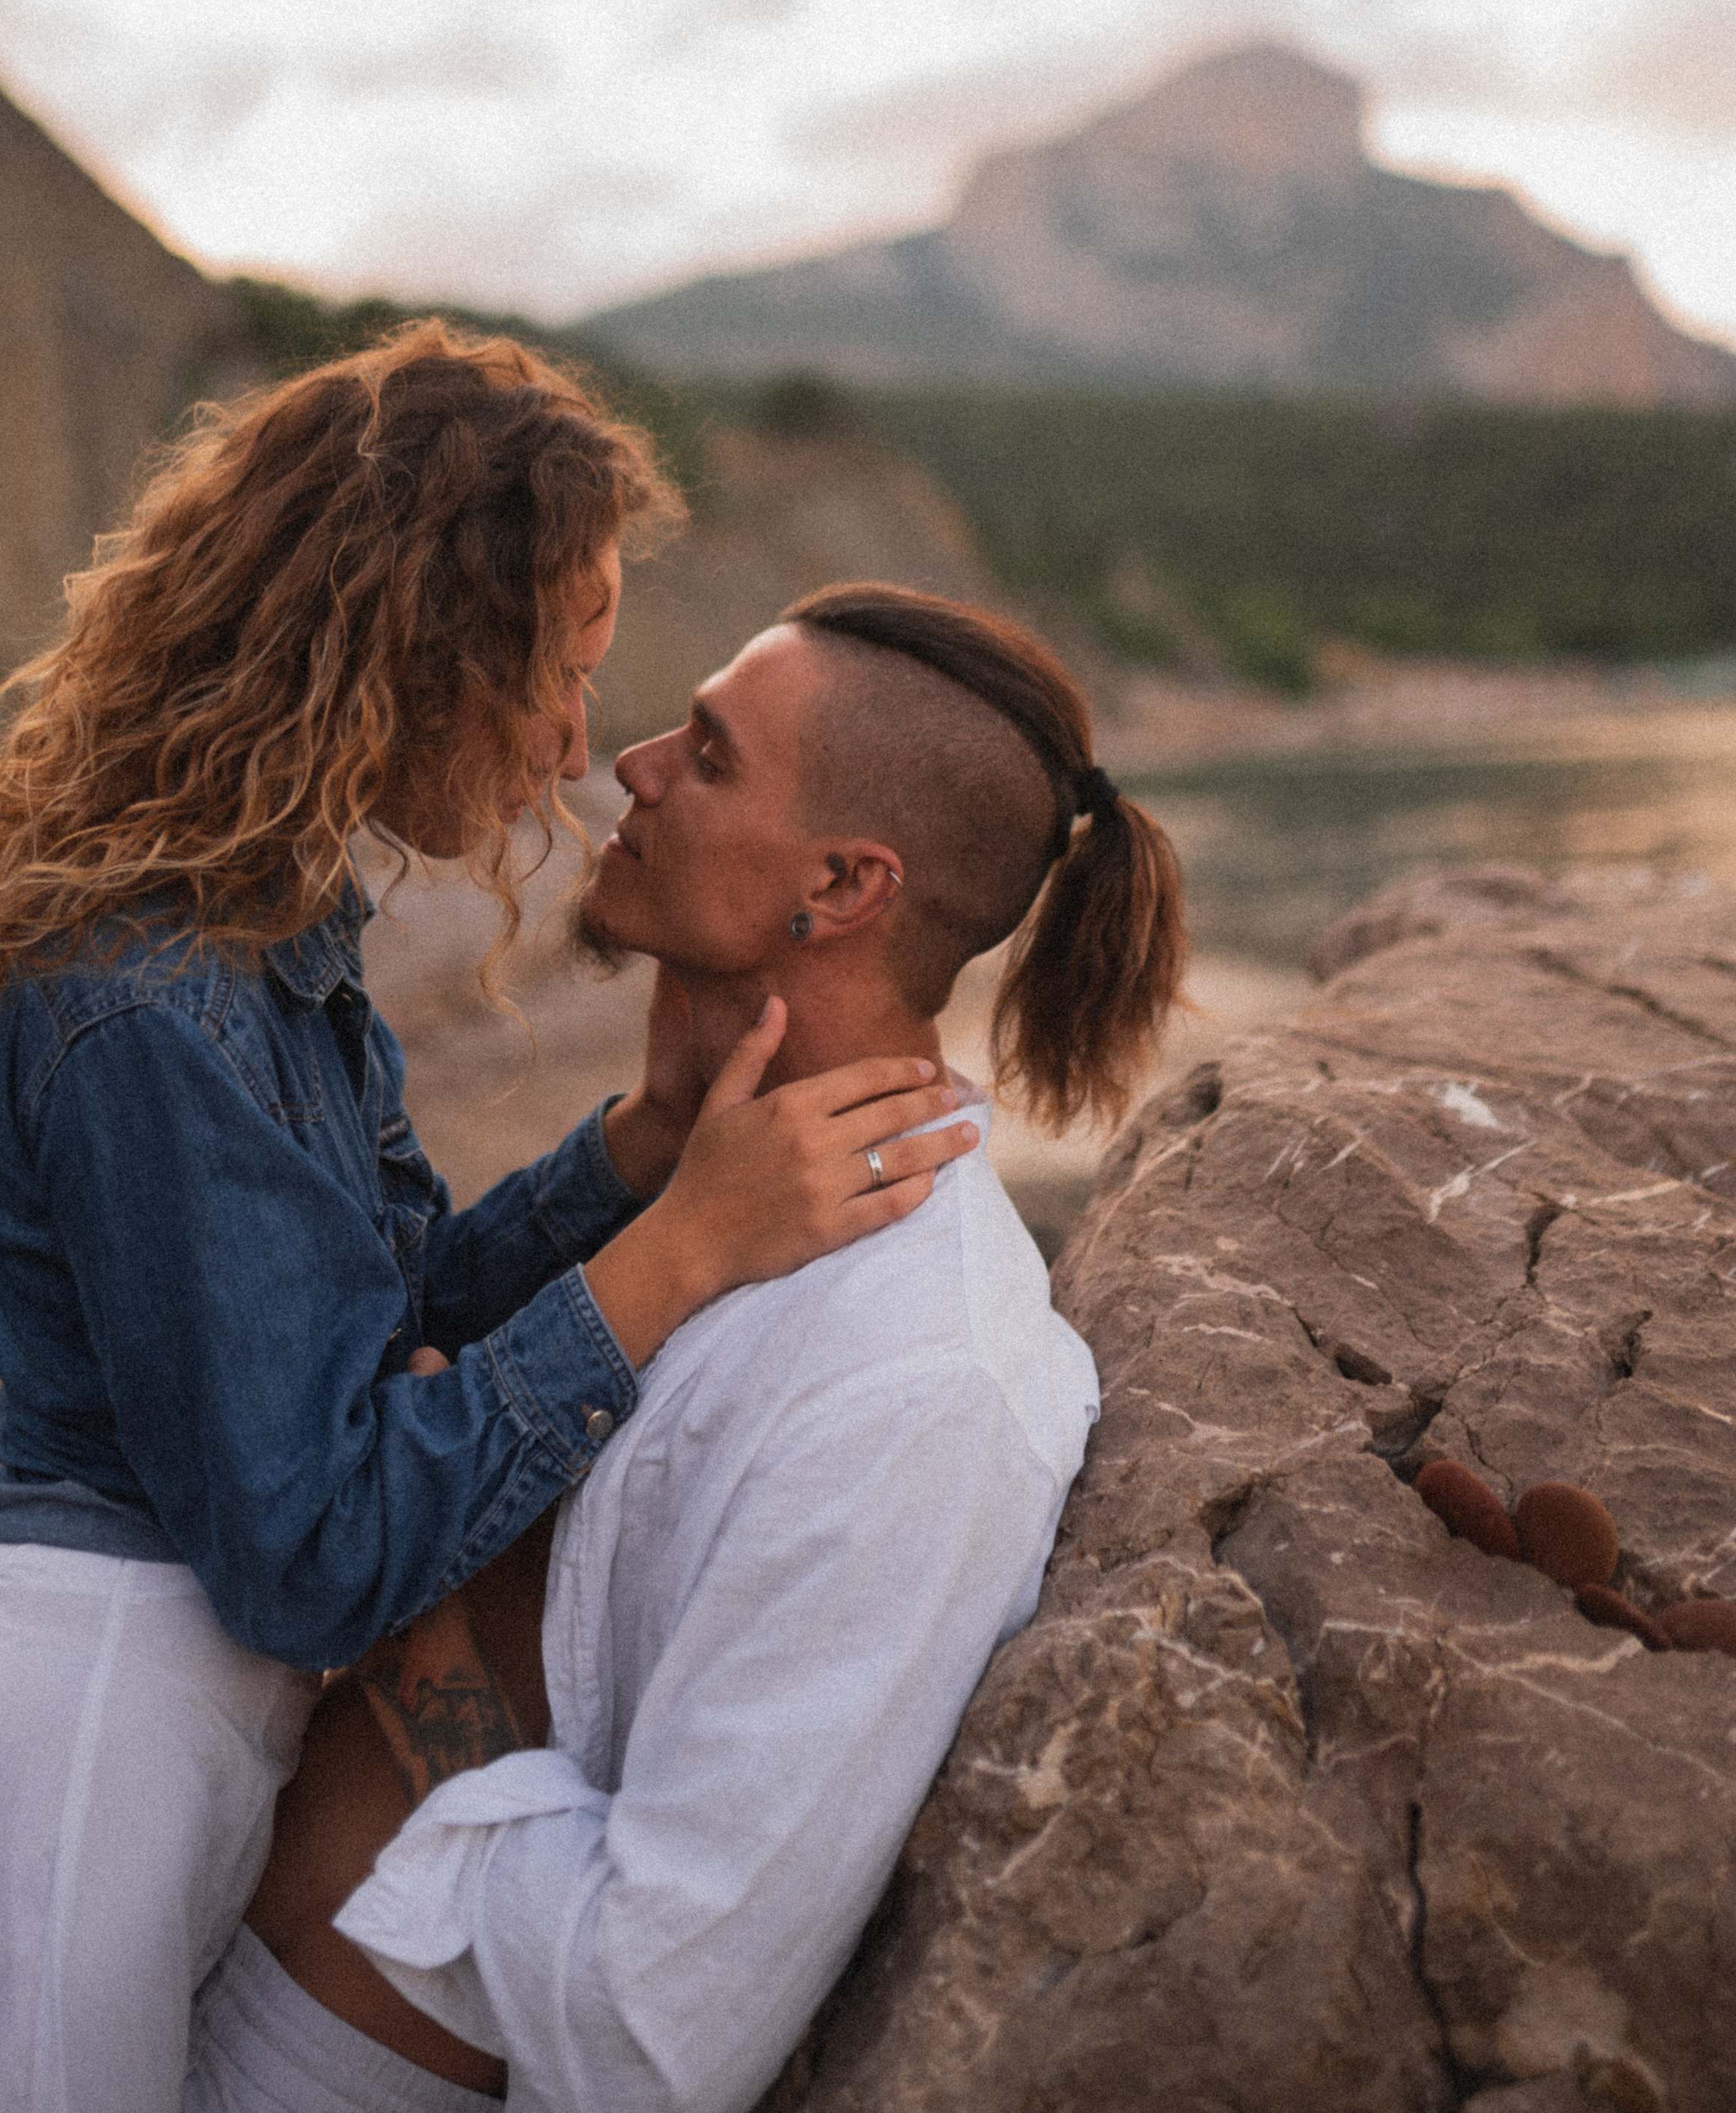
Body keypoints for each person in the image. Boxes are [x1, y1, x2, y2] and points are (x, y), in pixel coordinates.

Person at [0, 336, 963, 2113]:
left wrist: (635, 1153)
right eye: (557, 672)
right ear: (415, 649)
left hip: (161, 1745)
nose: (579, 744)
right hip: (55, 1779)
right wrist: (670, 1258)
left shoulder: (263, 945)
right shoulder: (160, 1003)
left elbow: (360, 1329)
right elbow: (308, 1547)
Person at [182, 580, 1189, 2113]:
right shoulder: (684, 1185)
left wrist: (402, 1619)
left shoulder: (924, 1378)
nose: (631, 764)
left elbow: (655, 2032)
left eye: (709, 756)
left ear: (843, 885)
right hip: (184, 1903)